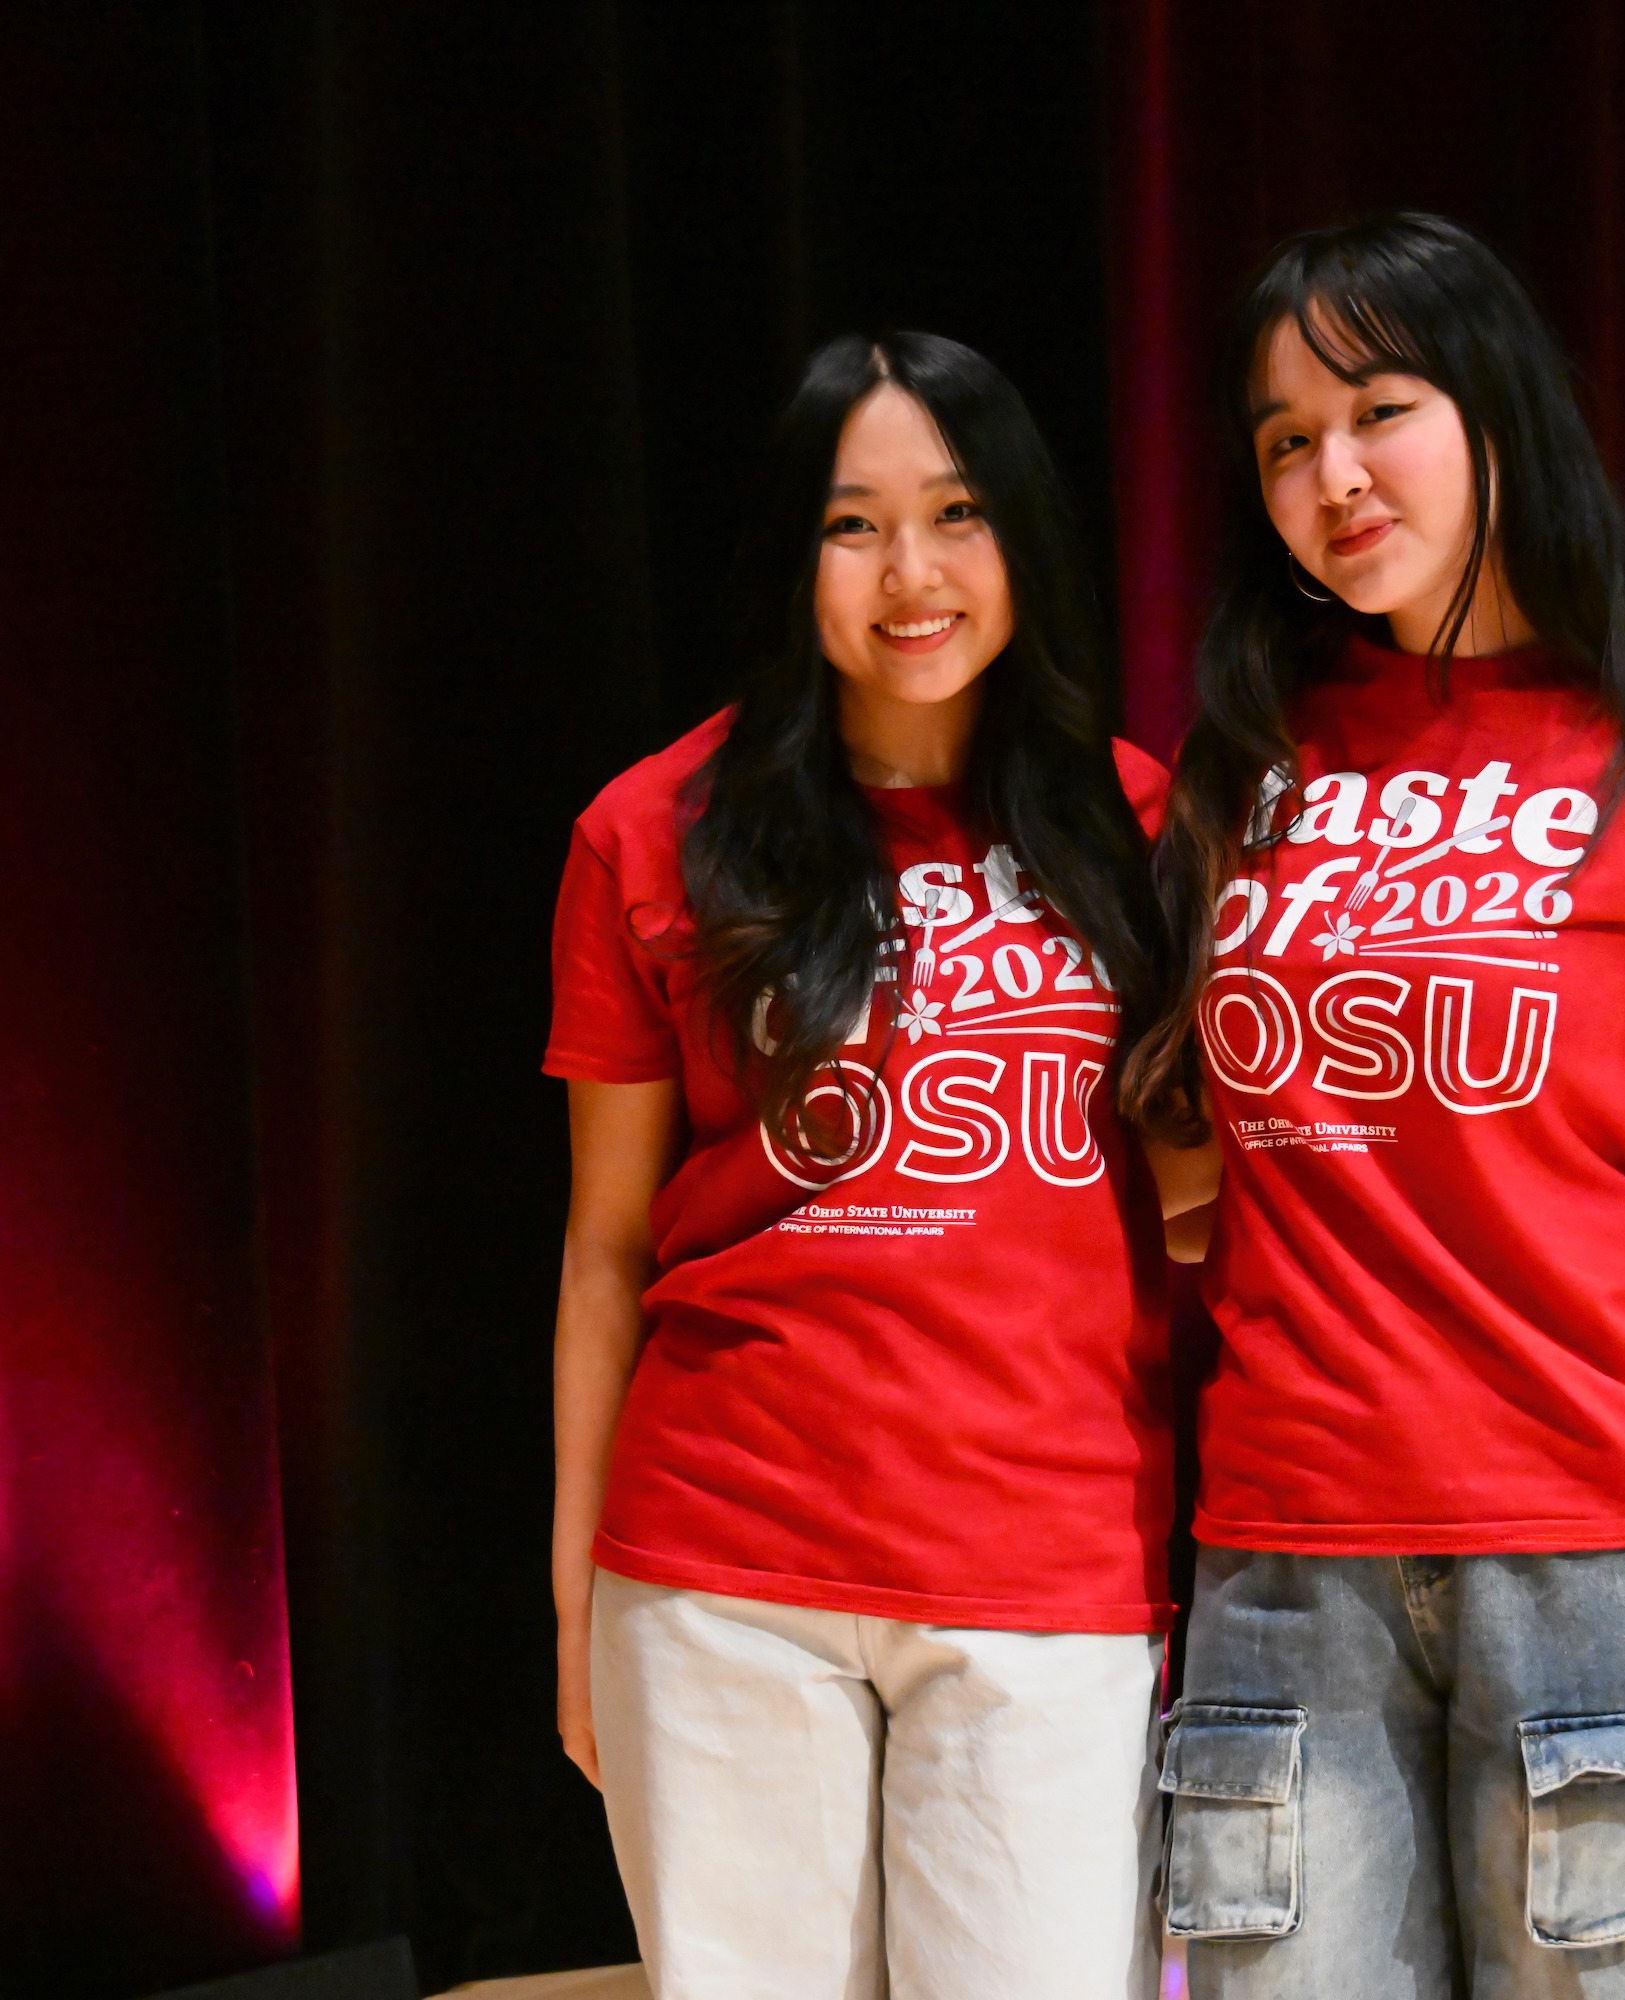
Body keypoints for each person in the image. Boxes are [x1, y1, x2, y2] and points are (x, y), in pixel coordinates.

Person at [1123, 213, 1625, 1998]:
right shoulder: (1242, 765)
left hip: (1601, 1545)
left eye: (1380, 408)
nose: (1334, 472)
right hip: (1286, 1557)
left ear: (1499, 412)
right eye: (1286, 438)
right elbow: (1174, 1128)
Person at [544, 330, 1202, 1999]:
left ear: (1023, 537)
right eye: (854, 525)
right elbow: (608, 1248)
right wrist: (575, 1600)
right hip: (719, 1573)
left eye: (958, 512)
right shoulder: (654, 832)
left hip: (1047, 1568)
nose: (912, 573)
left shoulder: (1140, 828)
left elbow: (1202, 1217)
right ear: (796, 556)